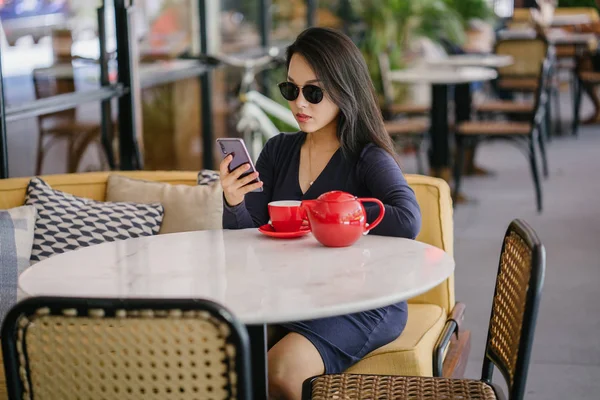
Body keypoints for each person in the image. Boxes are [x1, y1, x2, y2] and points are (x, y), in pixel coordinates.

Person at [219, 27, 421, 400]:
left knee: (280, 372)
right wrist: (233, 202)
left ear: (344, 91)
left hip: (362, 303)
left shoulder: (366, 157)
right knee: (225, 357)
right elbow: (244, 240)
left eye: (313, 92)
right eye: (290, 90)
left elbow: (408, 219)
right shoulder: (279, 151)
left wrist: (331, 211)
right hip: (290, 295)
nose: (300, 103)